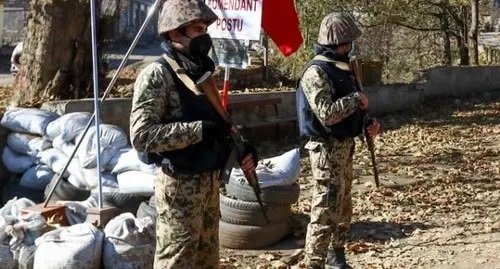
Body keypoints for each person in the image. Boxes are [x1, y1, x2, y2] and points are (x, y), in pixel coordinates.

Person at [129, 0, 257, 268]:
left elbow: (219, 124)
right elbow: (141, 135)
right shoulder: (157, 74)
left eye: (204, 29)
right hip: (179, 186)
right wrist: (198, 131)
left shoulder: (201, 71)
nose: (204, 36)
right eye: (197, 29)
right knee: (176, 261)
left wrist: (241, 146)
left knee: (206, 259)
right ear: (175, 33)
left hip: (209, 183)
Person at [295, 12, 380, 269]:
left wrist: (367, 123)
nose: (351, 46)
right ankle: (314, 263)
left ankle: (337, 258)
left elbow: (355, 106)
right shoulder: (317, 71)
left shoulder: (343, 68)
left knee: (343, 207)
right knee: (324, 209)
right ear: (339, 43)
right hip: (326, 149)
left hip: (345, 146)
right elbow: (327, 114)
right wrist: (356, 100)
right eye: (348, 42)